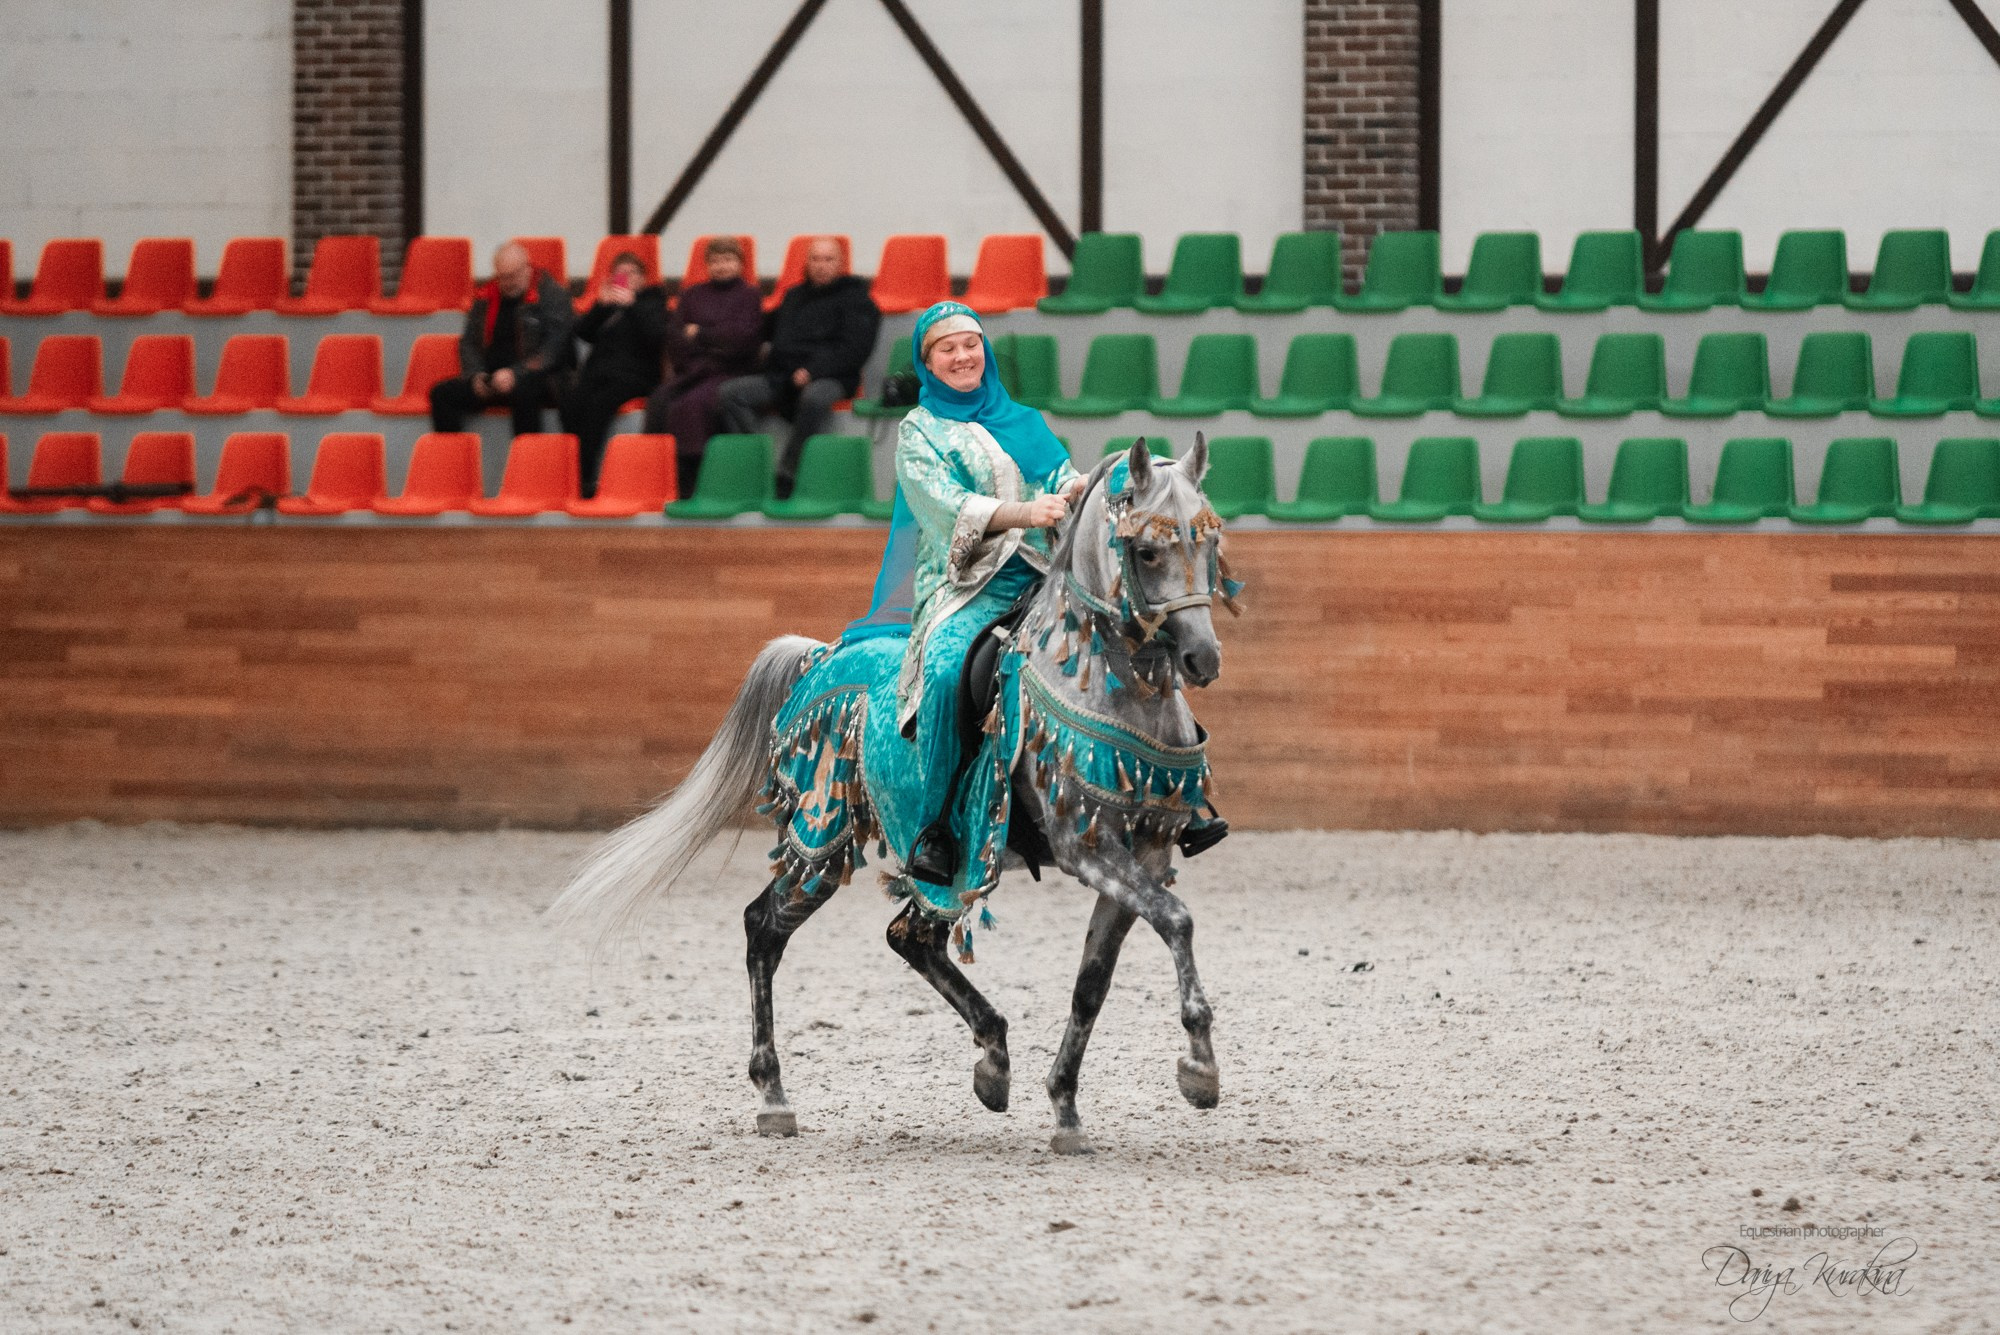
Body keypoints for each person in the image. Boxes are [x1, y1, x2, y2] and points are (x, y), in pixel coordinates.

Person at [876, 301, 1084, 887]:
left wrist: (1088, 486)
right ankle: (935, 828)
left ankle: (1171, 784)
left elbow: (1060, 479)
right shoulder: (918, 431)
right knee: (944, 674)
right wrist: (1020, 511)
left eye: (970, 344)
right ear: (929, 362)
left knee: (1124, 629)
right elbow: (940, 505)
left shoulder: (1025, 420)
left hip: (1041, 574)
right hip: (966, 585)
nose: (962, 356)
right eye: (948, 349)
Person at [716, 237, 880, 498]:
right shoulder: (794, 296)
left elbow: (855, 350)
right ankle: (759, 463)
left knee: (815, 397)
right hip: (783, 376)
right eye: (816, 259)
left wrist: (813, 371)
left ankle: (788, 471)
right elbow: (764, 329)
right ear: (807, 263)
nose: (821, 265)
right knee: (730, 393)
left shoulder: (857, 299)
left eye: (828, 259)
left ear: (840, 264)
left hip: (832, 377)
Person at [642, 236, 763, 497]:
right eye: (716, 261)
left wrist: (701, 334)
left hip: (730, 370)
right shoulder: (693, 294)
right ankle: (657, 475)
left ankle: (695, 479)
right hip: (694, 368)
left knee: (694, 404)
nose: (722, 266)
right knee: (659, 399)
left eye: (728, 260)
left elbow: (743, 338)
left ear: (740, 264)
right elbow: (676, 336)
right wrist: (707, 344)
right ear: (707, 264)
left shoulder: (749, 295)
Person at [430, 242, 575, 436]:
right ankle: (452, 461)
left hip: (540, 378)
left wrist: (516, 374)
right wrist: (476, 375)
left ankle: (525, 462)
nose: (508, 283)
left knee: (524, 392)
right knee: (441, 394)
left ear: (528, 268)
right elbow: (469, 342)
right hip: (492, 378)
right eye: (503, 277)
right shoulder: (485, 296)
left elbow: (554, 349)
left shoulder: (553, 295)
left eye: (513, 275)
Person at [560, 251, 668, 497]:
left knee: (598, 405)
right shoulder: (609, 305)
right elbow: (583, 333)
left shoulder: (653, 301)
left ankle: (585, 477)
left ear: (643, 278)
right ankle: (569, 473)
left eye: (632, 274)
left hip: (635, 376)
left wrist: (632, 306)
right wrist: (600, 306)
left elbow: (656, 338)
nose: (626, 279)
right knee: (571, 402)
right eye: (620, 274)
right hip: (600, 373)